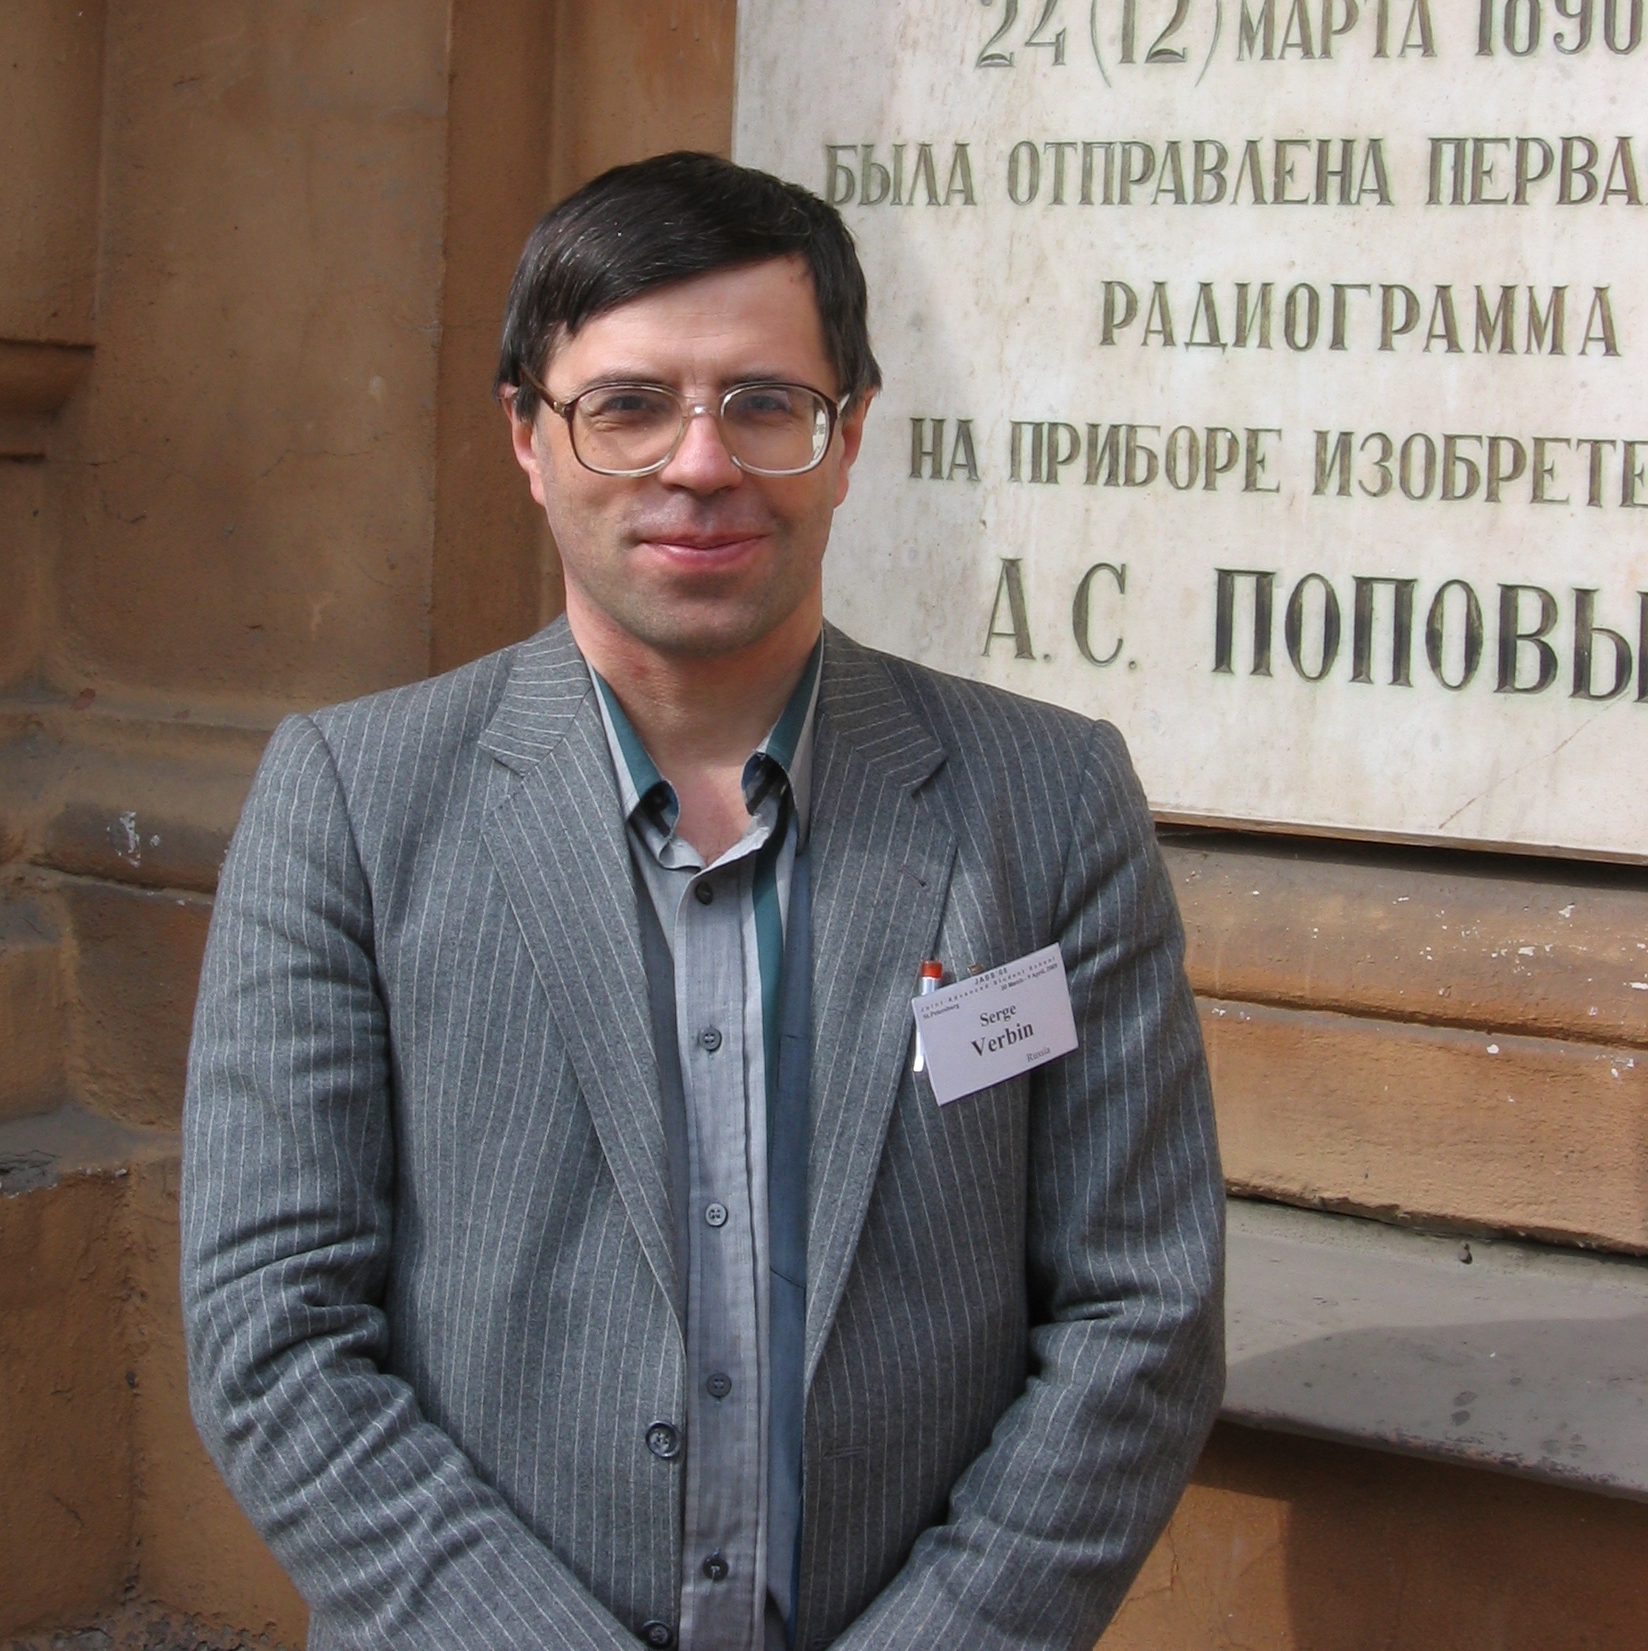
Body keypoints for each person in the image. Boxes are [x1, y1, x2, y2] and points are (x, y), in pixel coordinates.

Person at [182, 149, 1224, 1651]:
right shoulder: (352, 804)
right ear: (528, 437)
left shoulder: (1047, 803)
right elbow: (273, 1332)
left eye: (765, 403)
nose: (700, 464)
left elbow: (1142, 1311)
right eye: (626, 406)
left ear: (848, 436)